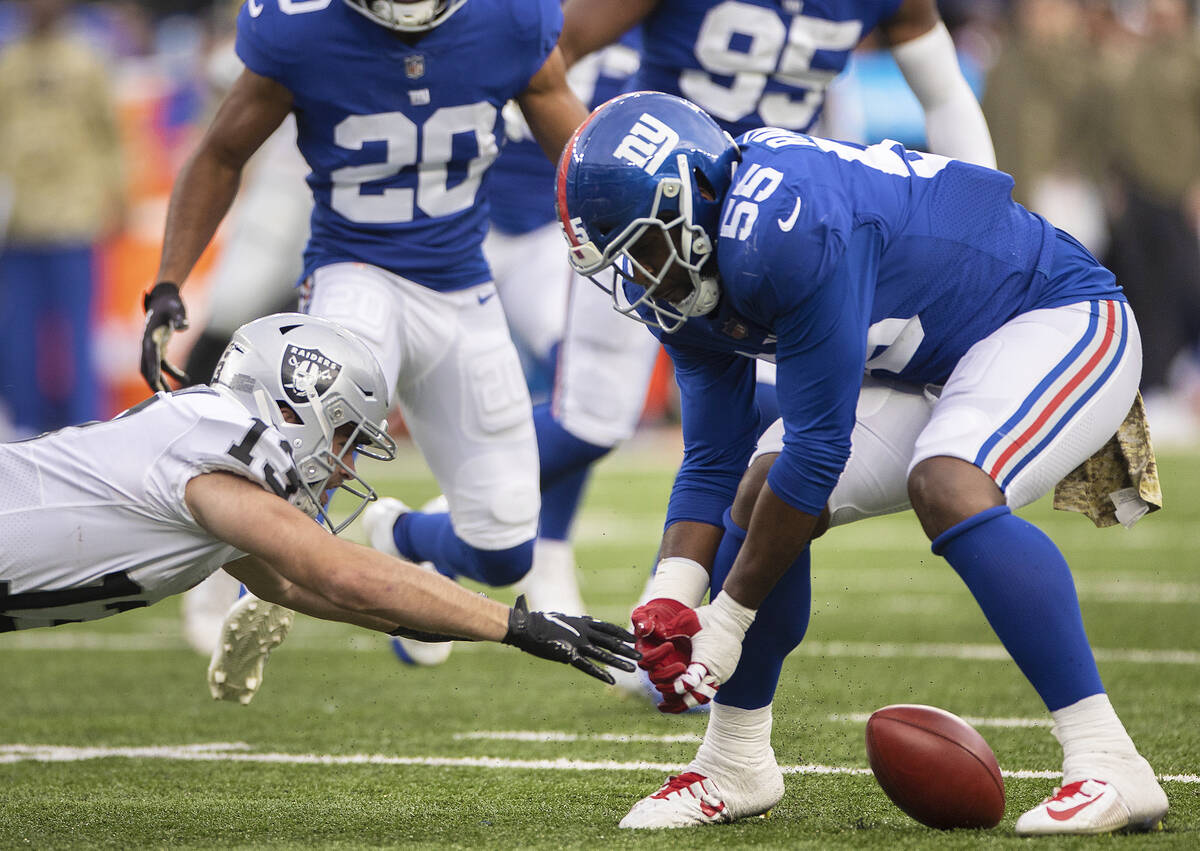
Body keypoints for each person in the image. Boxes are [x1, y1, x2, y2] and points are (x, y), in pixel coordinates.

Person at [555, 91, 1167, 834]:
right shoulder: (698, 267)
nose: (644, 278)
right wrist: (673, 593)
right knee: (756, 489)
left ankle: (1109, 757)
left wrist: (728, 620)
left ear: (695, 193)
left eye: (645, 246)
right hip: (934, 362)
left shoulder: (784, 226)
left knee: (947, 482)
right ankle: (734, 761)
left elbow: (819, 449)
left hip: (1055, 315)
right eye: (624, 262)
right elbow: (713, 453)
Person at [475, 0, 999, 639]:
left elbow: (943, 94)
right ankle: (445, 537)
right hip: (656, 229)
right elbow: (548, 64)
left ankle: (680, 623)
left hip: (778, 233)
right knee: (596, 421)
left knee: (782, 433)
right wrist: (607, 187)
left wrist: (986, 221)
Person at [137, 0, 591, 665]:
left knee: (503, 545)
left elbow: (579, 157)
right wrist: (170, 279)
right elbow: (221, 153)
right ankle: (224, 581)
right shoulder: (304, 27)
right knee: (310, 447)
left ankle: (400, 537)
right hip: (354, 269)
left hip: (462, 284)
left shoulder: (510, 19)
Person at [1, 313, 637, 701]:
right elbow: (343, 575)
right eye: (345, 436)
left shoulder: (221, 474)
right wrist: (517, 625)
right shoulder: (215, 438)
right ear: (289, 407)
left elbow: (297, 587)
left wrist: (454, 622)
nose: (346, 464)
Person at [0, 0, 126, 437]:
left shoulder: (87, 59)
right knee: (18, 335)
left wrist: (118, 197)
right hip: (19, 221)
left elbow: (111, 135)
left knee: (78, 333)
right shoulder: (8, 63)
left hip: (75, 216)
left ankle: (88, 427)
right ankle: (26, 426)